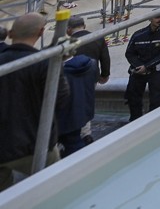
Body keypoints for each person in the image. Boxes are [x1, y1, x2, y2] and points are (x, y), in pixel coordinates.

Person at [0, 13, 68, 187]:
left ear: (10, 33)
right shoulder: (44, 64)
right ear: (41, 32)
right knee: (53, 190)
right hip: (34, 144)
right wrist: (57, 62)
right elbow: (60, 100)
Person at [124, 13, 160, 120]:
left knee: (156, 99)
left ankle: (153, 122)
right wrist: (139, 67)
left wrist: (147, 66)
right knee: (133, 97)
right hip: (139, 71)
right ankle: (135, 122)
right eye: (157, 17)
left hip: (156, 70)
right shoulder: (138, 35)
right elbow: (129, 53)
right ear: (150, 19)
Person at [67, 16, 109, 146]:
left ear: (68, 29)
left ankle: (73, 131)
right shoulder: (97, 38)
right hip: (91, 76)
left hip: (70, 78)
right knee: (87, 102)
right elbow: (105, 58)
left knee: (71, 104)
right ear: (84, 26)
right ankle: (86, 133)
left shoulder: (66, 43)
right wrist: (104, 74)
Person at [56, 49, 98, 156]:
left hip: (64, 117)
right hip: (82, 111)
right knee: (74, 144)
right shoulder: (91, 64)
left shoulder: (59, 72)